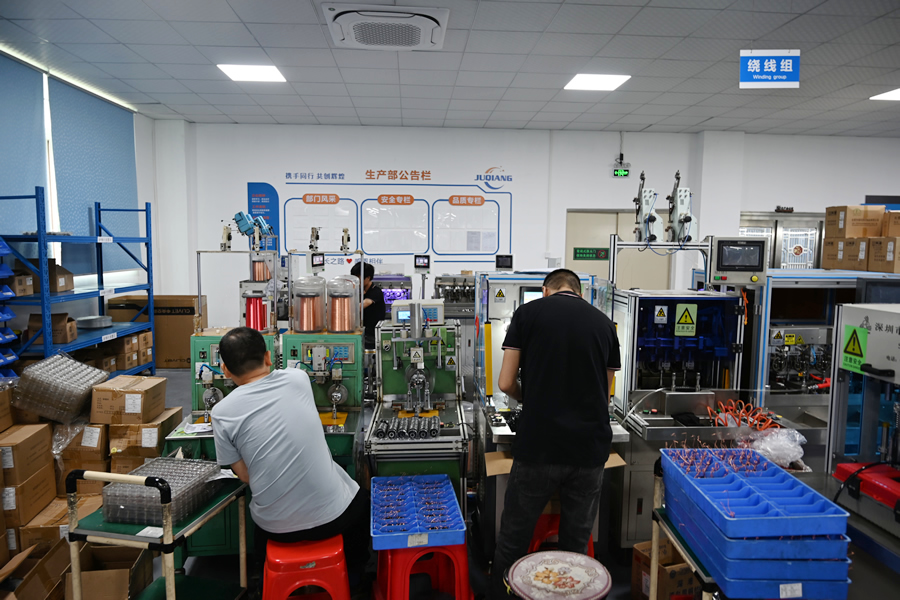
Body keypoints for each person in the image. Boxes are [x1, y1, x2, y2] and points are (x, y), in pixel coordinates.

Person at [489, 269, 621, 599]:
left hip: (539, 447)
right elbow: (605, 395)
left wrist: (529, 397)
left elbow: (505, 382)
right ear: (579, 292)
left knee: (513, 540)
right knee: (575, 547)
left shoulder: (528, 313)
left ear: (545, 290)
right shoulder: (605, 324)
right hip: (588, 451)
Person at [210, 327, 369, 588]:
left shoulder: (221, 413)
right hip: (333, 521)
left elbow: (246, 476)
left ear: (225, 370)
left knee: (262, 533)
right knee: (361, 501)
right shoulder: (298, 379)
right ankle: (354, 579)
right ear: (268, 357)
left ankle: (268, 582)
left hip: (275, 530)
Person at [350, 261, 385, 349]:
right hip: (363, 332)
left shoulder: (376, 292)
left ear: (368, 278)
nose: (356, 282)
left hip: (372, 336)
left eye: (358, 278)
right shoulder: (360, 291)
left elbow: (361, 306)